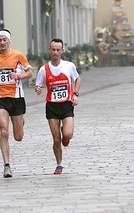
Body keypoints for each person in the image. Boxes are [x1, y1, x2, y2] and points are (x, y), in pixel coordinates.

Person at [0, 29, 33, 178]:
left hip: (16, 98)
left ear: (9, 41)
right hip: (1, 98)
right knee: (4, 131)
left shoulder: (18, 56)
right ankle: (6, 166)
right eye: (0, 40)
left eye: (5, 40)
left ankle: (20, 121)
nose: (2, 43)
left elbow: (30, 72)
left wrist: (19, 76)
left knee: (18, 137)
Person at [35, 38, 81, 174]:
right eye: (53, 50)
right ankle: (59, 164)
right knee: (56, 139)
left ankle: (65, 136)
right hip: (52, 107)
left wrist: (75, 94)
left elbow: (77, 79)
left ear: (62, 51)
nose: (55, 52)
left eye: (58, 50)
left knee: (67, 134)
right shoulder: (43, 69)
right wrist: (38, 89)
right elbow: (39, 85)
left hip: (66, 105)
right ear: (49, 50)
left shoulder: (69, 66)